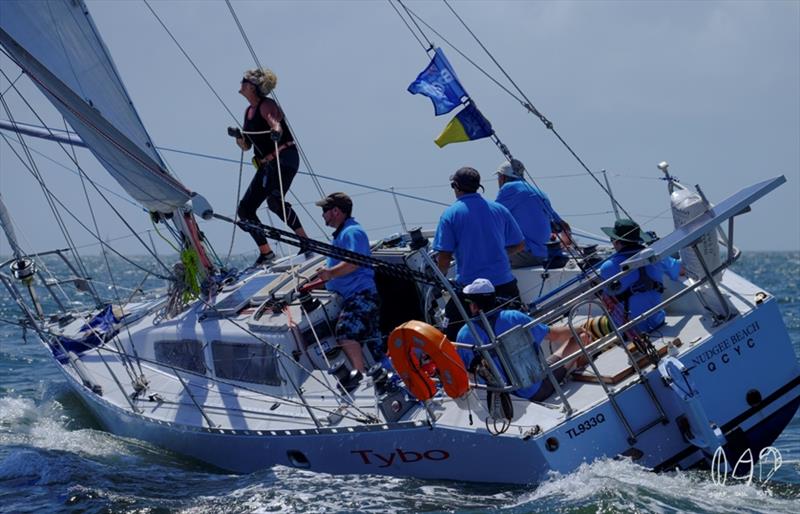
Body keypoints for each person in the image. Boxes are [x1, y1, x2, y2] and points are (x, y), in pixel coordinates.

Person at [455, 278, 590, 402]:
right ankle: (581, 365)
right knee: (581, 338)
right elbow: (555, 336)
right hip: (536, 391)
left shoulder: (463, 335)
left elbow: (468, 374)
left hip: (506, 402)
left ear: (473, 306)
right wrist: (577, 328)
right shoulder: (514, 317)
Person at [433, 166, 525, 340]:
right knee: (518, 334)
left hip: (471, 292)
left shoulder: (450, 215)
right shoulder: (499, 209)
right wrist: (501, 253)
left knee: (449, 337)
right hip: (505, 285)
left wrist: (440, 279)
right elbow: (519, 244)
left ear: (456, 186)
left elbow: (444, 257)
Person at [235, 68, 309, 266]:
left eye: (243, 81)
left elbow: (275, 124)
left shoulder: (266, 105)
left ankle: (306, 241)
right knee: (245, 210)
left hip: (285, 157)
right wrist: (238, 138)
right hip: (266, 165)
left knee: (275, 201)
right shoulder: (248, 111)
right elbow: (247, 146)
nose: (240, 83)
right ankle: (266, 253)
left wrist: (276, 131)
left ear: (252, 86)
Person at [315, 192, 380, 373]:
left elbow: (355, 261)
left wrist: (330, 273)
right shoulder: (342, 233)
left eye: (325, 210)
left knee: (345, 332)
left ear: (336, 211)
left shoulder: (352, 232)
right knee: (373, 345)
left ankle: (359, 375)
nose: (322, 214)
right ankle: (383, 375)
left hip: (361, 295)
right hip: (356, 296)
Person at [585, 218, 683, 339]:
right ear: (638, 239)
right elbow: (681, 270)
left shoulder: (607, 267)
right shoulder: (657, 257)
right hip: (657, 323)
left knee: (583, 329)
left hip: (629, 332)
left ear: (616, 241)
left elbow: (607, 301)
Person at [495, 159, 571, 268]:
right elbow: (564, 227)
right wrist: (564, 245)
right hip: (545, 255)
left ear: (502, 177)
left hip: (526, 255)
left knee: (482, 258)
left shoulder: (508, 189)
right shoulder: (539, 192)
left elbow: (492, 216)